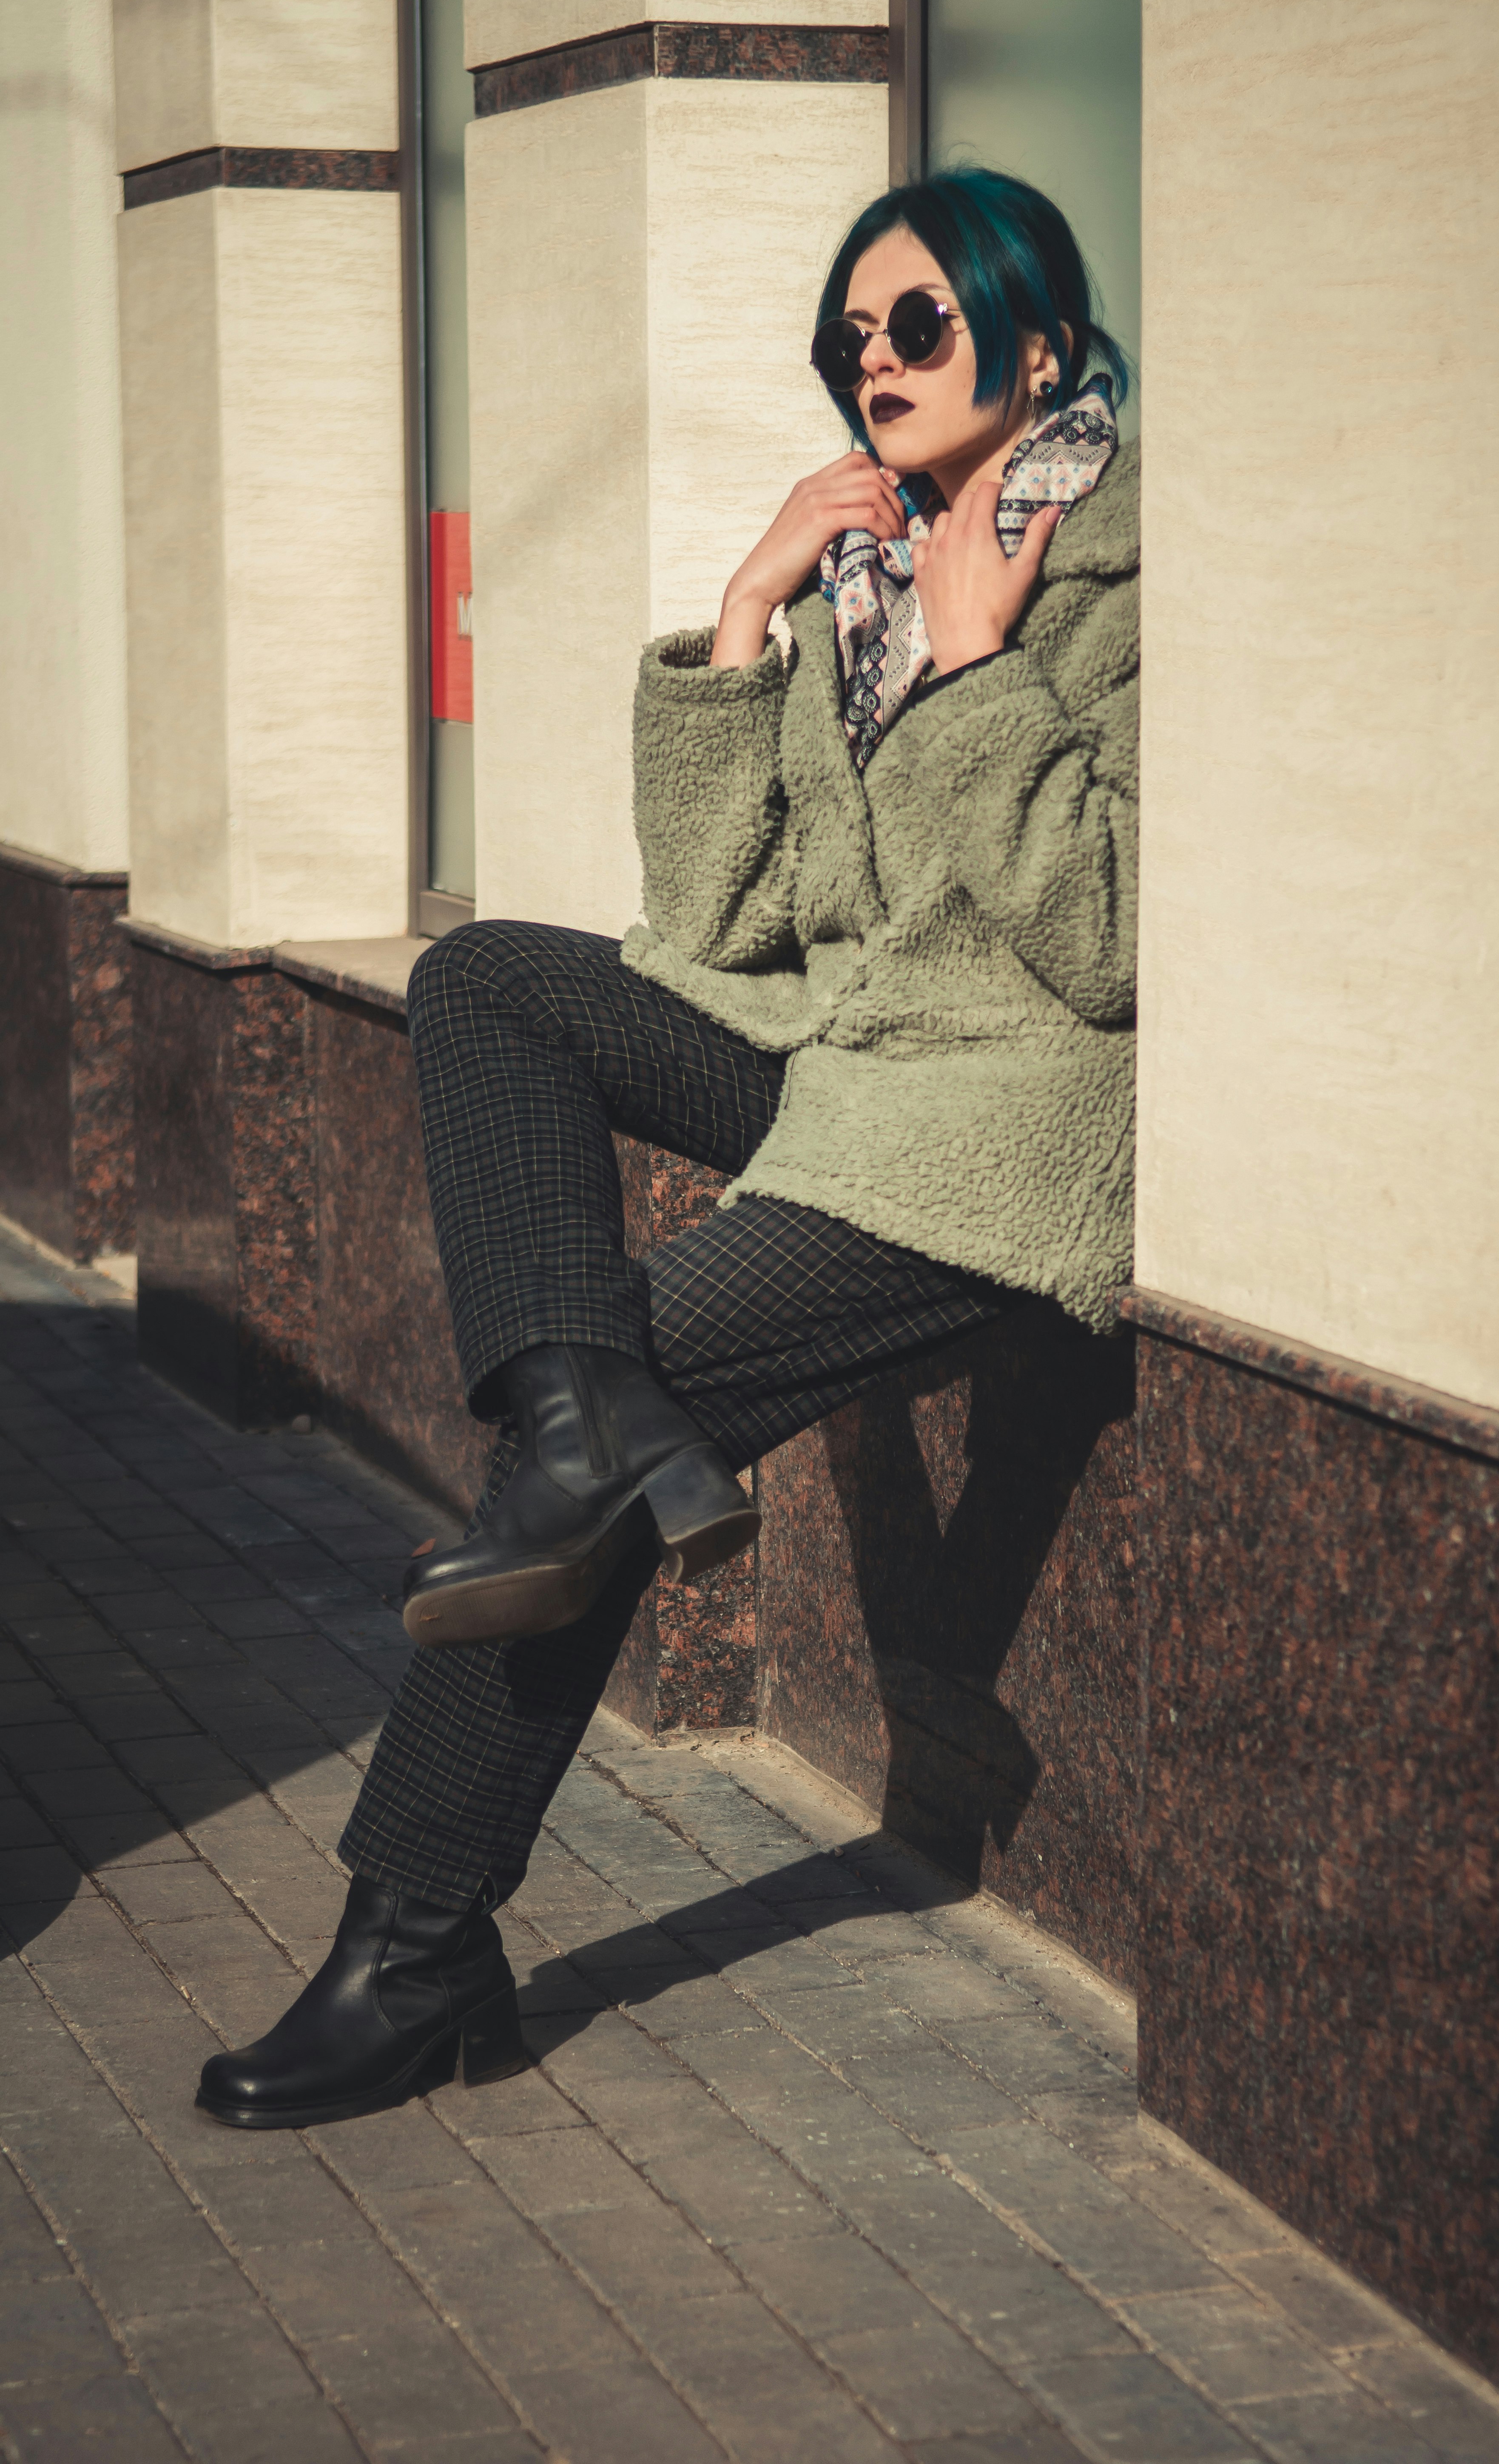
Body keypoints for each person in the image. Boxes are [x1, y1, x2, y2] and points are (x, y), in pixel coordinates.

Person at [195, 166, 1141, 2129]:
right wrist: (743, 624)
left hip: (998, 1119)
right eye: (846, 340)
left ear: (1036, 344)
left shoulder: (1132, 578)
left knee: (589, 1467)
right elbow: (713, 935)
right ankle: (572, 1415)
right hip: (839, 1055)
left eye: (917, 327)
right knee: (489, 984)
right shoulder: (869, 583)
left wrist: (982, 672)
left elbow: (1115, 937)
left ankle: (416, 1945)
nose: (872, 366)